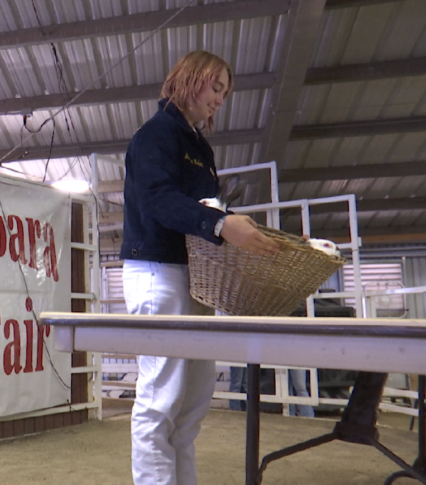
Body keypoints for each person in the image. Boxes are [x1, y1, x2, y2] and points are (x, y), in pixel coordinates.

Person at [120, 50, 280, 485]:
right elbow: (157, 198)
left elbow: (202, 207)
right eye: (216, 88)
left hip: (195, 278)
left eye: (224, 93)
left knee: (191, 404)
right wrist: (220, 223)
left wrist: (222, 221)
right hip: (157, 272)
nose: (219, 100)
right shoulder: (155, 135)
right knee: (161, 397)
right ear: (191, 79)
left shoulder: (199, 146)